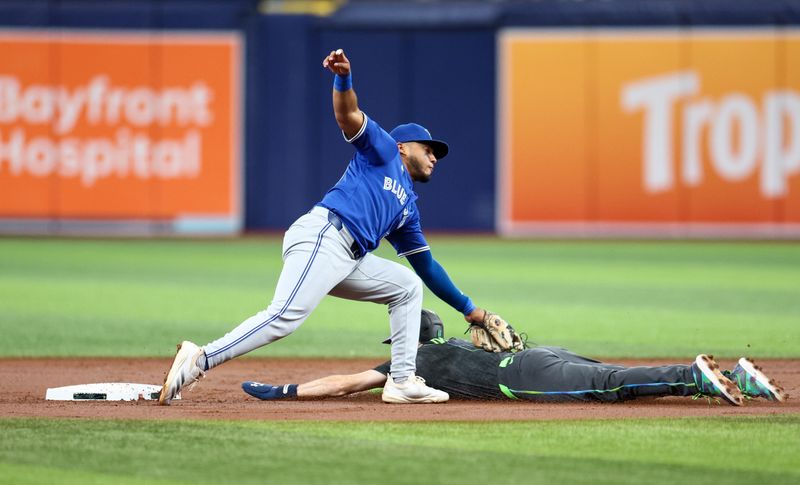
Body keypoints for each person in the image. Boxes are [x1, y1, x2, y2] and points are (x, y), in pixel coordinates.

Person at [159, 49, 493, 405]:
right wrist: (343, 78)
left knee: (407, 286)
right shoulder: (382, 151)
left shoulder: (407, 208)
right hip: (325, 235)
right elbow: (348, 115)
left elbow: (426, 265)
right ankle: (200, 358)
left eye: (436, 155)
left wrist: (471, 309)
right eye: (428, 149)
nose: (433, 157)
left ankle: (402, 380)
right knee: (285, 316)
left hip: (349, 258)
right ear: (402, 146)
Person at [242, 310, 787, 406]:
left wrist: (283, 390)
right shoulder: (448, 345)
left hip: (525, 374)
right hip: (538, 353)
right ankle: (738, 378)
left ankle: (694, 375)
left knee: (609, 385)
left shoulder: (413, 366)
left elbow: (344, 383)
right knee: (604, 374)